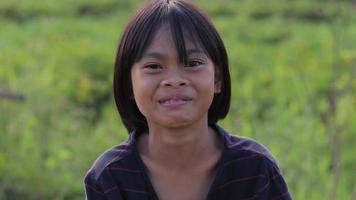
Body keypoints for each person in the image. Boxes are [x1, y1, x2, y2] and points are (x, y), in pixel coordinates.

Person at [84, 0, 292, 199]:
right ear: (129, 83)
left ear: (217, 78)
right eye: (153, 66)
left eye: (193, 63)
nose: (174, 80)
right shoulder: (109, 176)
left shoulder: (255, 168)